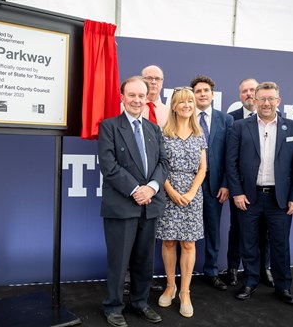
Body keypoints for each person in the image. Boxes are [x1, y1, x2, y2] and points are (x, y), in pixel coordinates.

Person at [99, 76, 168, 327]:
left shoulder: (154, 128)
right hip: (122, 205)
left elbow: (163, 163)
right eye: (132, 95)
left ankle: (140, 302)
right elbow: (108, 165)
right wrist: (135, 189)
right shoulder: (109, 126)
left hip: (149, 205)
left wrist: (150, 188)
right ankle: (113, 307)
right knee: (119, 261)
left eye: (141, 95)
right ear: (122, 97)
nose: (137, 100)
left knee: (144, 259)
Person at [226, 81, 293, 305]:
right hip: (249, 197)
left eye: (271, 99)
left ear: (278, 101)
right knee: (248, 243)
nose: (266, 103)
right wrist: (237, 193)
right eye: (262, 99)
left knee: (281, 244)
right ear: (255, 101)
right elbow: (231, 163)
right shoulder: (240, 126)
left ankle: (283, 286)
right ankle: (249, 282)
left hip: (279, 199)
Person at [155, 87, 207, 318]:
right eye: (182, 102)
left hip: (192, 196)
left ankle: (185, 292)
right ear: (174, 106)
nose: (187, 105)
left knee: (188, 244)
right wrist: (171, 191)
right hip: (167, 193)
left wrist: (191, 192)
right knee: (168, 242)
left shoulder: (199, 134)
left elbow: (203, 168)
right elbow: (158, 166)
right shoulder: (162, 133)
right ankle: (170, 286)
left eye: (190, 101)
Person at [226, 78, 274, 288]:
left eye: (252, 90)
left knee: (266, 232)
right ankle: (234, 268)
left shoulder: (277, 121)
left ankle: (265, 268)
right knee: (238, 230)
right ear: (240, 96)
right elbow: (229, 157)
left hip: (267, 190)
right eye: (244, 91)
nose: (249, 94)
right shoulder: (232, 120)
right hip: (241, 188)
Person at [190, 75, 234, 291]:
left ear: (212, 94)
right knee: (184, 230)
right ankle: (183, 272)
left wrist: (226, 183)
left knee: (213, 230)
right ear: (193, 95)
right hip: (188, 185)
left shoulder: (225, 120)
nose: (202, 94)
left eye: (206, 90)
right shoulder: (184, 117)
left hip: (215, 185)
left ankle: (211, 271)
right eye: (198, 91)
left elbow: (230, 155)